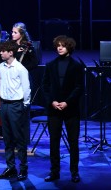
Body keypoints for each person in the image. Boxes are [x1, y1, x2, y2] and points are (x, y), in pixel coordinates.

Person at [42, 35, 83, 183]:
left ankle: (74, 172)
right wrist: (52, 101)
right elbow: (45, 87)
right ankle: (54, 172)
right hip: (54, 109)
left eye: (63, 45)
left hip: (70, 109)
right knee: (54, 141)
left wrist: (67, 102)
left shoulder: (77, 66)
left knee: (73, 142)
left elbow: (79, 87)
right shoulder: (50, 65)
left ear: (69, 47)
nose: (60, 48)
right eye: (58, 45)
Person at [0, 40, 31, 181]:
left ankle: (23, 168)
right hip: (4, 104)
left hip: (16, 105)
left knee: (18, 138)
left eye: (3, 51)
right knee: (7, 138)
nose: (0, 53)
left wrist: (24, 105)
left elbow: (26, 88)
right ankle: (10, 167)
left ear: (10, 52)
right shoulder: (1, 66)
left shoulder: (21, 69)